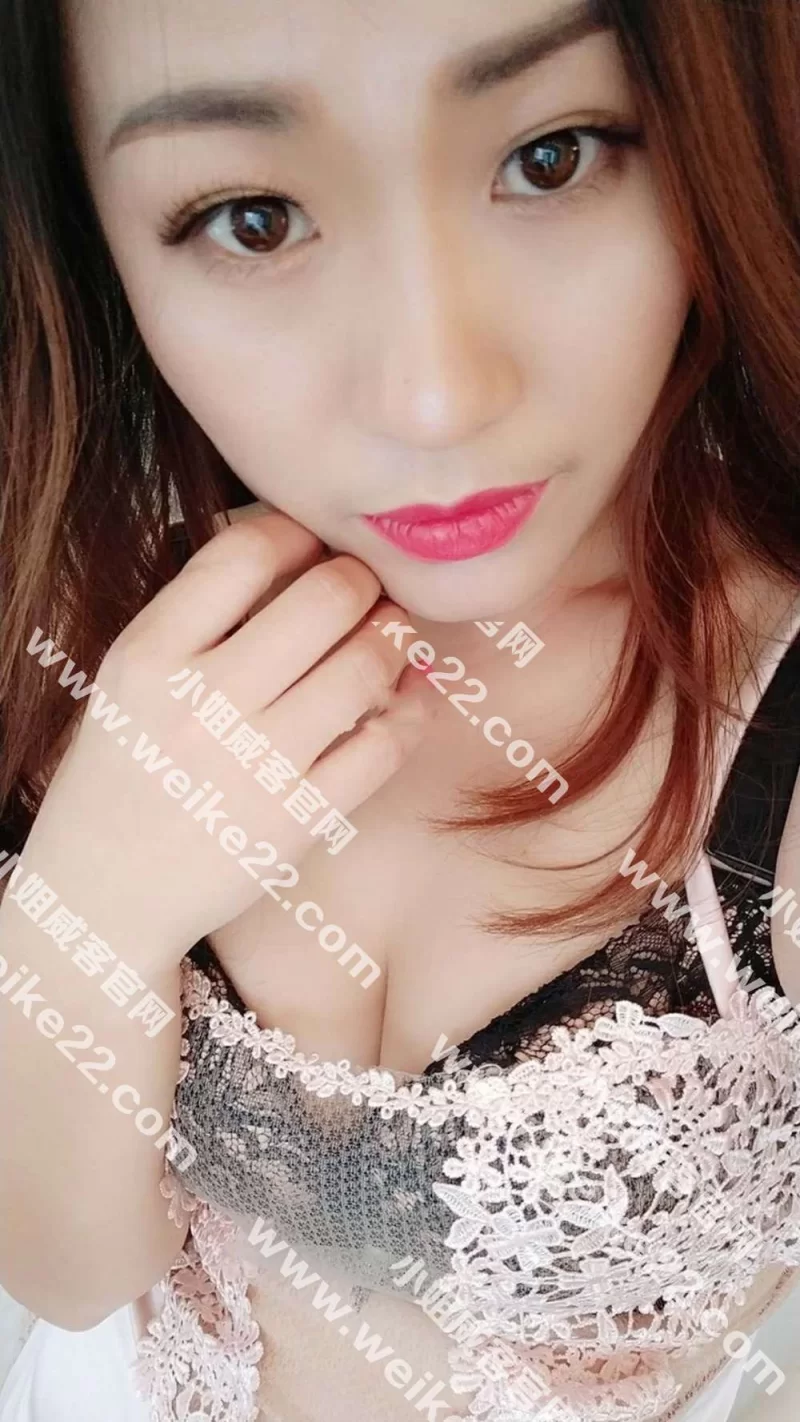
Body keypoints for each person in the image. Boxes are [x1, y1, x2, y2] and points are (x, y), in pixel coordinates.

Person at [1, 0, 799, 1418]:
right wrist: (89, 911)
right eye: (253, 219)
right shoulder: (88, 607)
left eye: (551, 157)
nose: (436, 398)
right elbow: (69, 1272)